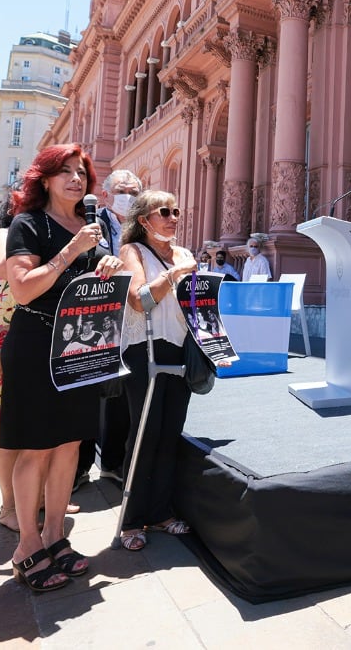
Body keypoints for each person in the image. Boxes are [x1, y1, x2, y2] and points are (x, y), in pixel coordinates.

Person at [0, 144, 127, 592]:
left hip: (81, 345)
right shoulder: (28, 224)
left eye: (81, 173)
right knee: (36, 446)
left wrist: (106, 267)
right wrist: (73, 250)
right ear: (45, 179)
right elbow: (23, 290)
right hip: (36, 341)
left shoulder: (93, 228)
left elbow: (87, 286)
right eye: (65, 172)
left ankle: (56, 535)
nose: (76, 179)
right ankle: (27, 543)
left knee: (70, 444)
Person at [114, 189, 199, 551]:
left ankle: (161, 512)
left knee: (170, 433)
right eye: (164, 211)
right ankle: (132, 520)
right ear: (144, 220)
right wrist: (175, 274)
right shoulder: (132, 252)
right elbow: (139, 300)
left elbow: (198, 304)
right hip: (144, 348)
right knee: (145, 433)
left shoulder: (184, 254)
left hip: (179, 346)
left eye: (176, 210)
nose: (173, 217)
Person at [96, 169, 142, 257]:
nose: (128, 197)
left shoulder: (145, 223)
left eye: (133, 193)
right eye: (121, 192)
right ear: (105, 195)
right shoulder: (93, 221)